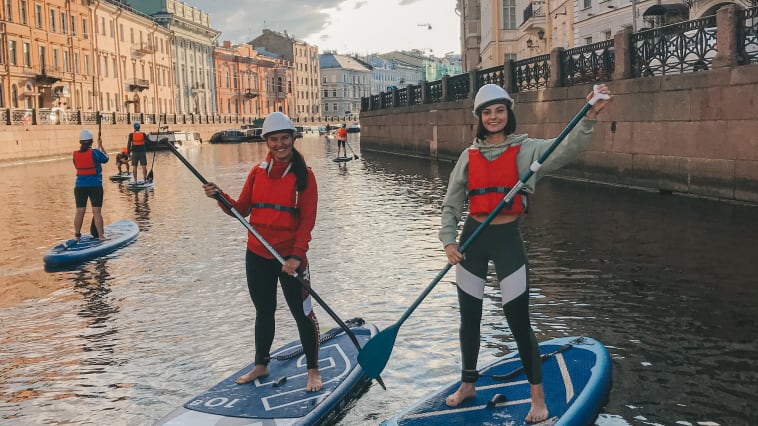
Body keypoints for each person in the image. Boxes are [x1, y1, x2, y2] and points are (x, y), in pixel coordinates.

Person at [439, 83, 612, 422]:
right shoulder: (467, 156)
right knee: (469, 319)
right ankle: (468, 383)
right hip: (472, 240)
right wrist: (449, 241)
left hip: (506, 239)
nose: (493, 117)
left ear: (508, 113)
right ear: (479, 117)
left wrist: (589, 115)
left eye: (499, 110)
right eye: (487, 112)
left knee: (518, 320)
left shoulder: (527, 150)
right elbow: (452, 202)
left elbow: (566, 148)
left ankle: (538, 397)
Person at [202, 111, 322, 392]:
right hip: (257, 255)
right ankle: (261, 364)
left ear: (293, 139)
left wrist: (295, 256)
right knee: (264, 312)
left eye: (284, 138)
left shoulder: (305, 178)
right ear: (266, 142)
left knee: (302, 314)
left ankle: (313, 370)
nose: (280, 144)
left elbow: (307, 222)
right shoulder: (257, 172)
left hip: (290, 259)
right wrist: (219, 196)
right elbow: (241, 209)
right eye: (274, 140)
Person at [73, 129, 109, 242]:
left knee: (79, 211)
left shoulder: (75, 155)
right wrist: (101, 146)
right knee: (96, 212)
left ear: (80, 142)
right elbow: (106, 158)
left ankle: (77, 236)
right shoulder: (95, 152)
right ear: (91, 141)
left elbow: (78, 164)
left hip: (79, 186)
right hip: (95, 186)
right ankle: (101, 236)